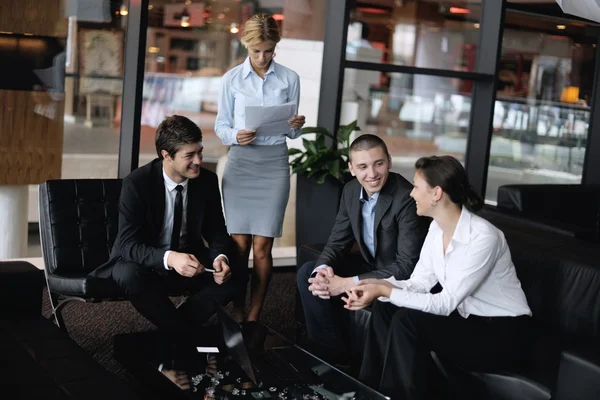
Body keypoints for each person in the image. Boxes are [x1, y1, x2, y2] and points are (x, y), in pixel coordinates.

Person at [344, 155, 532, 400]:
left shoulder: (484, 237)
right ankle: (369, 391)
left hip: (502, 335)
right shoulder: (436, 227)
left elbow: (445, 303)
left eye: (416, 186)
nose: (411, 194)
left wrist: (387, 291)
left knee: (408, 320)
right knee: (386, 307)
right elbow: (419, 283)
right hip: (467, 320)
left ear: (436, 193)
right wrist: (377, 286)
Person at [90, 115, 246, 334]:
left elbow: (217, 231)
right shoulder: (137, 183)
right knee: (127, 273)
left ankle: (175, 329)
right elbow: (126, 245)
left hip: (190, 262)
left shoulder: (207, 181)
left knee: (237, 275)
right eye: (190, 155)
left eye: (199, 152)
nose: (199, 160)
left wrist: (221, 258)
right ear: (167, 155)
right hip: (147, 265)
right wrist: (170, 258)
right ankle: (183, 332)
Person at [296, 134, 429, 365]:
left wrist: (347, 283)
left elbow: (407, 266)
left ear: (388, 161)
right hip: (371, 264)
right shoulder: (350, 191)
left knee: (334, 282)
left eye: (378, 163)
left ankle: (335, 363)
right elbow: (338, 241)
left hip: (397, 274)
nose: (372, 174)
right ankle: (328, 355)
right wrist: (323, 271)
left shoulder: (405, 198)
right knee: (309, 273)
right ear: (351, 169)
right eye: (363, 166)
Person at [215, 13, 306, 323]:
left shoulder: (289, 78)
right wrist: (234, 136)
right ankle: (237, 311)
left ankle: (254, 315)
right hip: (241, 162)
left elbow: (291, 133)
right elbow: (221, 124)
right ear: (246, 46)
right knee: (239, 245)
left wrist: (296, 125)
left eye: (268, 50)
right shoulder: (231, 79)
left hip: (274, 164)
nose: (263, 57)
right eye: (256, 50)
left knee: (263, 246)